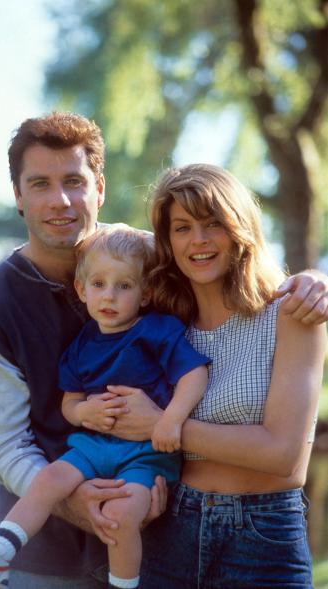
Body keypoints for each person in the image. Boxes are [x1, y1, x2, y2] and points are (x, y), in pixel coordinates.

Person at [0, 111, 328, 589]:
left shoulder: (152, 264)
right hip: (53, 555)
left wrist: (313, 279)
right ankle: (0, 551)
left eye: (74, 181)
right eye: (40, 184)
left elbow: (230, 264)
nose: (60, 200)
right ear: (18, 196)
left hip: (168, 524)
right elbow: (5, 445)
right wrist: (77, 497)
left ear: (99, 189)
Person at [0, 224, 209, 589]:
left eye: (124, 286)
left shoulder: (157, 330)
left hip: (145, 454)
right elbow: (70, 403)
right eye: (99, 284)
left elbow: (194, 373)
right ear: (82, 291)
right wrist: (84, 413)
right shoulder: (84, 342)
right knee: (50, 478)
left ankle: (124, 584)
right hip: (93, 446)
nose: (110, 296)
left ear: (145, 293)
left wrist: (171, 421)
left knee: (120, 517)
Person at [108, 163, 325, 589]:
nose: (199, 240)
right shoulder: (162, 324)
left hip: (264, 537)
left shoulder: (291, 314)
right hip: (169, 527)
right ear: (168, 242)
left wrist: (163, 426)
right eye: (182, 227)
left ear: (239, 228)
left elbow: (284, 455)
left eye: (213, 224)